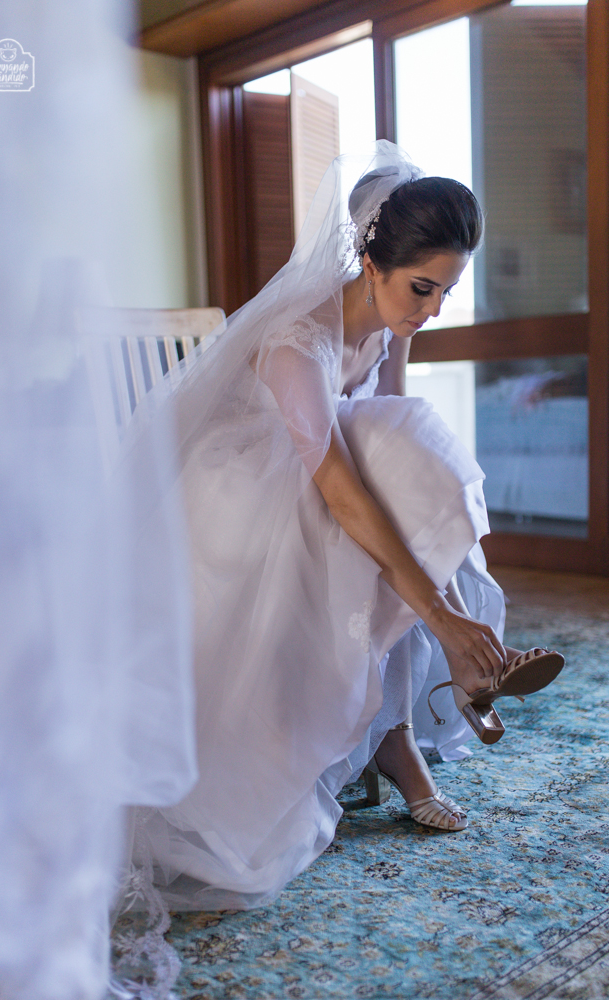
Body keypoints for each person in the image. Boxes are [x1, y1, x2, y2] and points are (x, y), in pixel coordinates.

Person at [122, 141, 563, 912]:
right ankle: (435, 685)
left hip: (317, 486)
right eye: (421, 288)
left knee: (405, 457)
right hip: (235, 502)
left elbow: (385, 430)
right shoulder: (298, 339)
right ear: (368, 262)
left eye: (445, 292)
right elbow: (339, 486)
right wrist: (440, 614)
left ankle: (422, 704)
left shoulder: (387, 324)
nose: (431, 310)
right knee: (362, 520)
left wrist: (437, 595)